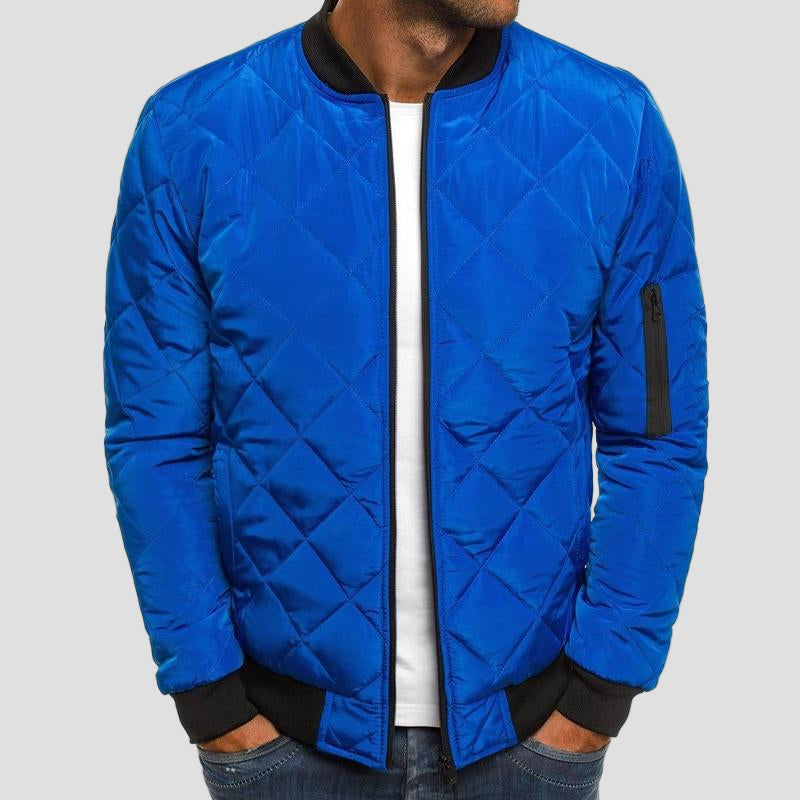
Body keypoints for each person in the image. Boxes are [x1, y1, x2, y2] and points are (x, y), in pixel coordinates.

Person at [103, 1, 708, 797]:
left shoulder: (612, 127)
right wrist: (210, 697)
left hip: (529, 743)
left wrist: (600, 691)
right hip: (283, 743)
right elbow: (155, 439)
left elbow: (657, 432)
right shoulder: (193, 133)